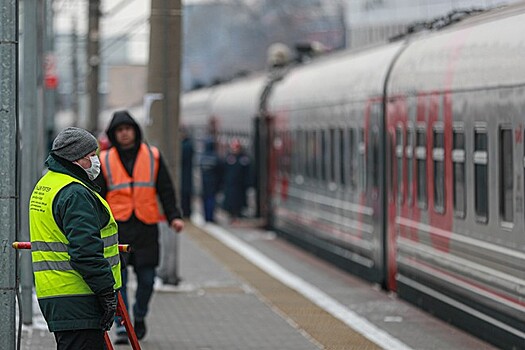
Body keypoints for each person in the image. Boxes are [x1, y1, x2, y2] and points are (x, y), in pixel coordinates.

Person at [96, 110, 184, 343]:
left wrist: (174, 216)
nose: (124, 134)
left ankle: (141, 315)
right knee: (119, 280)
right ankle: (124, 326)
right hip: (117, 228)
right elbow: (98, 195)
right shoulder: (104, 159)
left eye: (128, 129)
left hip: (146, 227)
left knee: (147, 280)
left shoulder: (153, 156)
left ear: (135, 130)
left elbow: (165, 189)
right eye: (119, 130)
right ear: (114, 135)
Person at [29, 127, 121, 350]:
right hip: (79, 295)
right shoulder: (74, 193)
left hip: (57, 294)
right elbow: (85, 251)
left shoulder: (47, 184)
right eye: (91, 155)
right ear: (77, 158)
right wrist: (106, 291)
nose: (96, 160)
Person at [222, 138, 251, 222]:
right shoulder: (229, 158)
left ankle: (238, 214)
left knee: (239, 201)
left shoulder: (244, 159)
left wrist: (248, 183)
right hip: (230, 184)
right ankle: (231, 214)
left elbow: (248, 172)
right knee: (230, 200)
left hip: (240, 185)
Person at [199, 138, 223, 222]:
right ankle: (210, 216)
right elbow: (220, 170)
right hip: (213, 183)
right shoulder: (216, 157)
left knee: (205, 200)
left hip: (204, 182)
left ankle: (206, 216)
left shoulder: (203, 157)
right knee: (211, 200)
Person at [180, 128, 194, 218]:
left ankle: (186, 212)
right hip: (187, 174)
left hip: (185, 174)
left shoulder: (185, 146)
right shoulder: (189, 145)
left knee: (185, 194)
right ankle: (187, 212)